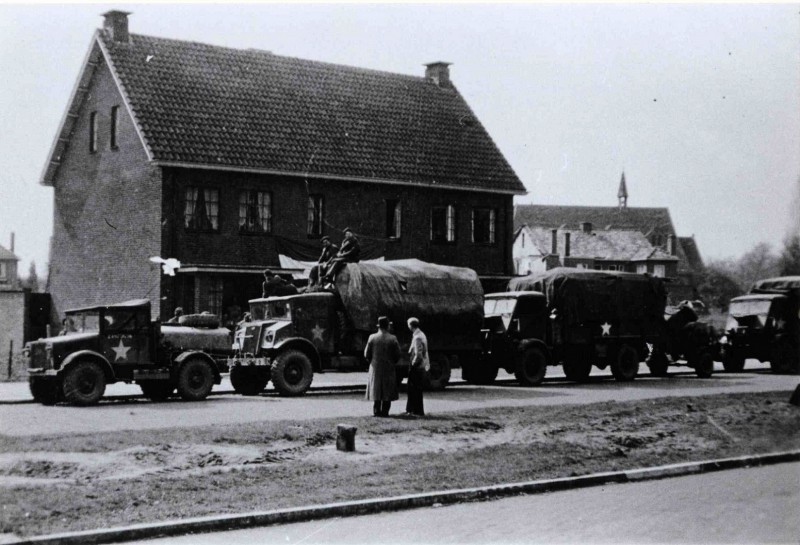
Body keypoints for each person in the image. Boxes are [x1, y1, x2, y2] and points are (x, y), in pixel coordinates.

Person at [364, 316, 400, 417]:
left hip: (375, 367)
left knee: (376, 390)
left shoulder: (372, 337)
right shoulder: (393, 338)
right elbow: (397, 354)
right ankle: (385, 412)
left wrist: (372, 361)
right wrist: (392, 362)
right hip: (389, 367)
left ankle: (376, 412)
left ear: (378, 326)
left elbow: (366, 354)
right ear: (388, 326)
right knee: (387, 391)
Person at [405, 316, 429, 417]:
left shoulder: (417, 337)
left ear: (411, 326)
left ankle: (416, 411)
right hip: (421, 366)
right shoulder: (420, 334)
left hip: (417, 367)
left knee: (414, 389)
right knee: (416, 389)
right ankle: (415, 410)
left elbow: (418, 354)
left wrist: (413, 365)